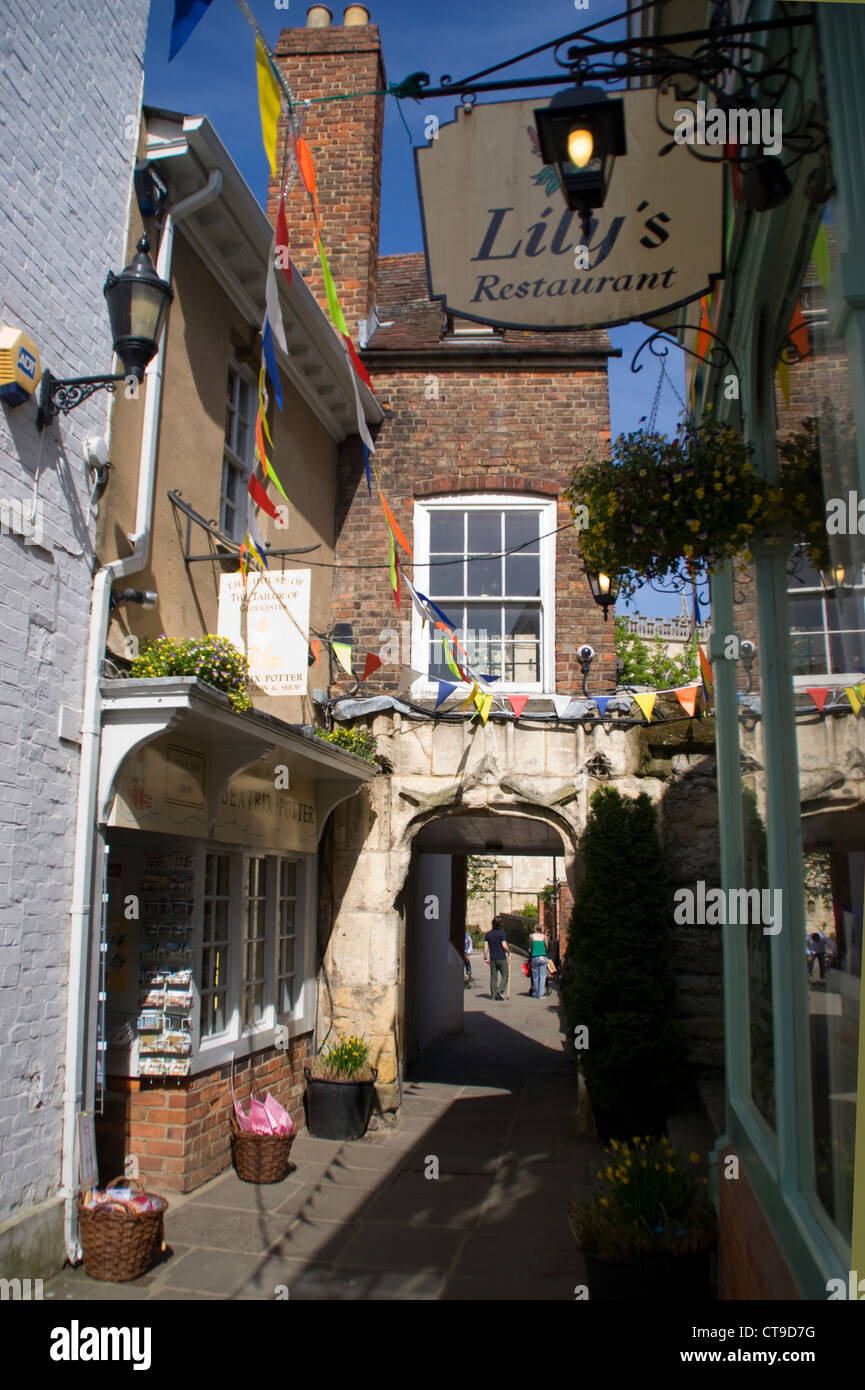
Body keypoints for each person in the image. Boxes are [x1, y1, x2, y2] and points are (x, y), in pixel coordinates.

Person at [483, 915, 510, 1000]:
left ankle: (493, 995)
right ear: (501, 924)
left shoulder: (488, 934)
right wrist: (509, 952)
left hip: (493, 958)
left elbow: (486, 947)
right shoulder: (501, 933)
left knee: (493, 976)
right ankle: (500, 990)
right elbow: (504, 946)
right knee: (505, 974)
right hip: (501, 957)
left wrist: (485, 957)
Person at [528, 924, 548, 1001]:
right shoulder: (544, 937)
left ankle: (536, 993)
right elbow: (546, 946)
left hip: (534, 957)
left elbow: (530, 947)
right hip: (543, 956)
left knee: (535, 977)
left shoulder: (531, 936)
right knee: (542, 977)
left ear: (535, 929)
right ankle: (541, 995)